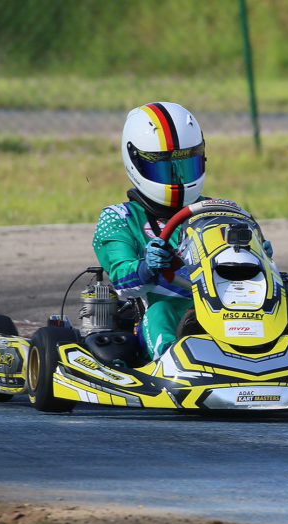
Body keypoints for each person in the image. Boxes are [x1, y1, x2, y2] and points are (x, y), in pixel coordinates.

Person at [93, 102, 272, 361]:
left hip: (231, 309)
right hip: (163, 314)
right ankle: (172, 361)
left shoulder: (222, 211)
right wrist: (146, 268)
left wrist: (260, 257)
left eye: (185, 166)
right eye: (164, 168)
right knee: (161, 311)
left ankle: (280, 352)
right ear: (136, 162)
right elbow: (122, 281)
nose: (177, 179)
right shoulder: (119, 217)